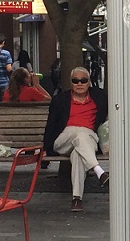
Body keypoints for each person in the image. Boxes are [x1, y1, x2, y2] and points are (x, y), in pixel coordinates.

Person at [42, 67, 108, 212]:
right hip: (63, 140)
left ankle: (77, 199)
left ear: (89, 82)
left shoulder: (100, 97)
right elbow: (51, 125)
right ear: (71, 83)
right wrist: (45, 149)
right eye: (75, 80)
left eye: (83, 80)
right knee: (78, 131)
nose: (79, 83)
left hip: (87, 142)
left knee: (78, 151)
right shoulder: (60, 100)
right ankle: (98, 171)